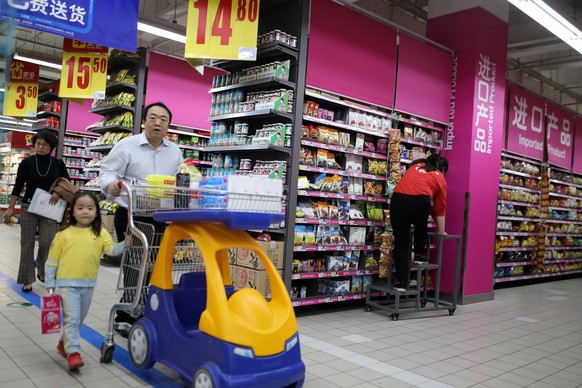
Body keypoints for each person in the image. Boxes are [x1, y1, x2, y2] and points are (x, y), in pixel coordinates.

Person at [99, 102, 183, 330]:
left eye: (163, 119)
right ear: (144, 121)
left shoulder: (174, 151)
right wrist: (112, 185)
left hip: (161, 217)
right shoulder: (127, 146)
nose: (158, 123)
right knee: (134, 266)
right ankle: (127, 315)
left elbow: (181, 178)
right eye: (153, 118)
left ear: (168, 125)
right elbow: (106, 172)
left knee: (155, 267)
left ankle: (147, 310)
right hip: (131, 216)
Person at [45, 191, 126, 371]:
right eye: (80, 208)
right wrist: (50, 283)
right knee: (72, 319)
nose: (85, 212)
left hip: (88, 284)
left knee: (79, 319)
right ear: (72, 211)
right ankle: (73, 352)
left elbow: (112, 250)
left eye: (89, 208)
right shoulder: (63, 234)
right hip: (67, 284)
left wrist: (126, 242)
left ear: (96, 213)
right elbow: (52, 260)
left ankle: (62, 343)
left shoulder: (100, 233)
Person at [2, 129, 70, 292]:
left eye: (44, 144)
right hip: (29, 207)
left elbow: (66, 182)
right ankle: (27, 280)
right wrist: (11, 208)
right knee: (27, 243)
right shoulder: (27, 163)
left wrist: (56, 192)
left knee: (47, 243)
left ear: (52, 147)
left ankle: (40, 266)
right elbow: (18, 185)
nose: (40, 147)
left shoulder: (58, 164)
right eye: (37, 143)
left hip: (50, 208)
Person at [389, 153, 448, 292]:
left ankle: (402, 282)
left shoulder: (415, 166)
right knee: (421, 222)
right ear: (442, 168)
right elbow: (439, 208)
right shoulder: (439, 176)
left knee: (401, 243)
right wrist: (441, 230)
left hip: (398, 200)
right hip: (420, 202)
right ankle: (420, 254)